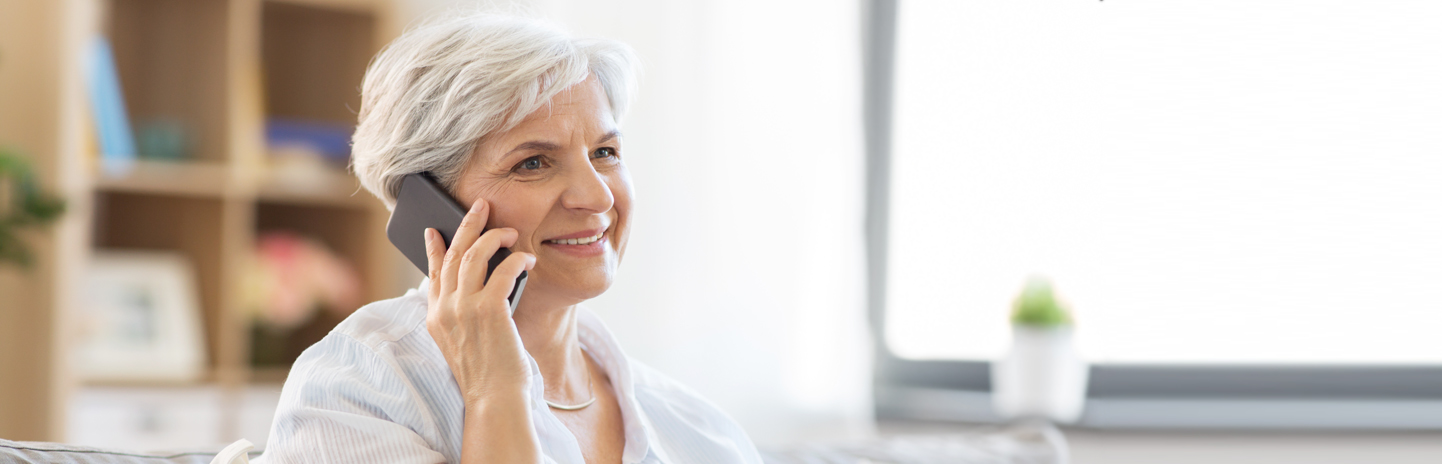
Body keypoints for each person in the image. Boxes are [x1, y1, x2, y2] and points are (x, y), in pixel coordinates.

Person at [257, 13, 762, 464]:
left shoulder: (699, 430)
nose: (597, 197)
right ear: (428, 201)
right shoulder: (359, 389)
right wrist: (495, 391)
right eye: (533, 163)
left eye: (605, 152)